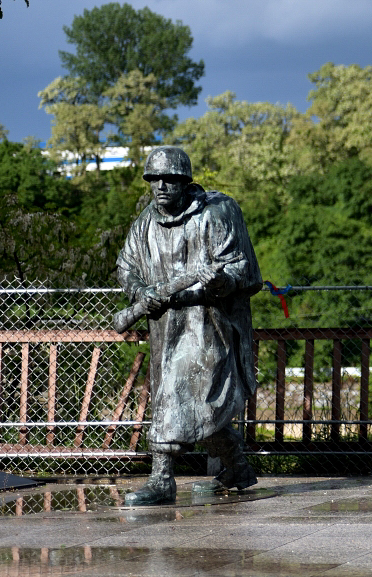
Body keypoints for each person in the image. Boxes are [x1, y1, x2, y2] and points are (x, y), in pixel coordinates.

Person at [116, 146, 262, 505]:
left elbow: (242, 269)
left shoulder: (216, 212)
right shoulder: (145, 223)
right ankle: (238, 468)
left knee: (177, 395)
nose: (163, 186)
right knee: (200, 407)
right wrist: (142, 291)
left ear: (186, 181)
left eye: (171, 179)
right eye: (155, 179)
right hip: (166, 328)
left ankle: (162, 480)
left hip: (209, 324)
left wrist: (219, 282)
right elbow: (126, 266)